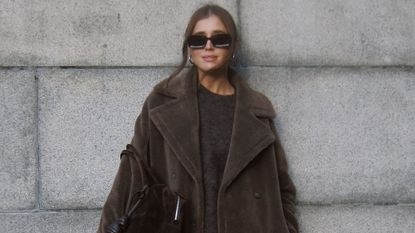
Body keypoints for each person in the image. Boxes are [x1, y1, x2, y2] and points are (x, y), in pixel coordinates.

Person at [97, 4, 298, 233]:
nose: (208, 46)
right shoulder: (160, 104)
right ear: (189, 49)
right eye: (198, 40)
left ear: (233, 47)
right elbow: (130, 177)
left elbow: (282, 190)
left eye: (219, 39)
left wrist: (287, 228)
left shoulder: (257, 112)